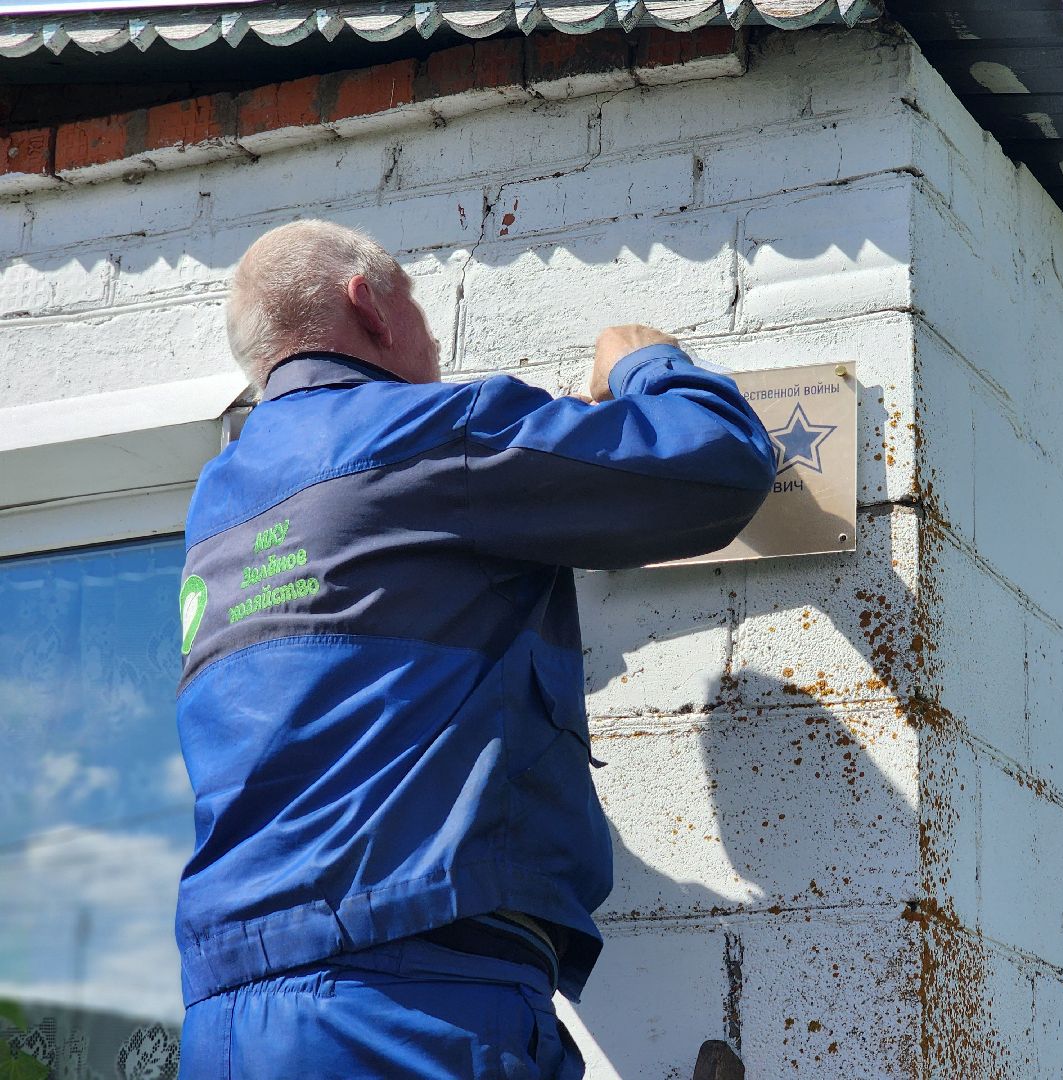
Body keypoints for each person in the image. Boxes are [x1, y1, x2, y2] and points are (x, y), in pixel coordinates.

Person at [174, 219, 775, 1078]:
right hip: (412, 1003)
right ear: (370, 308)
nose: (432, 337)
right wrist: (645, 362)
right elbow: (717, 465)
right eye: (418, 306)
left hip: (232, 1025)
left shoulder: (220, 508)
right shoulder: (426, 434)